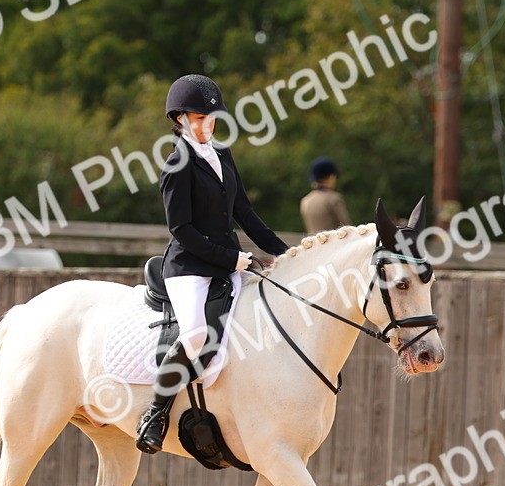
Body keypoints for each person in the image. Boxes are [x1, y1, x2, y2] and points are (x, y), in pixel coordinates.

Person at [134, 74, 290, 454]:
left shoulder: (222, 155)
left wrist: (286, 255)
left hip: (227, 263)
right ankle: (155, 414)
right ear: (180, 119)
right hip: (189, 267)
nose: (208, 125)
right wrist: (232, 258)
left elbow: (245, 214)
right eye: (200, 119)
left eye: (212, 118)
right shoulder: (177, 165)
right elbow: (181, 230)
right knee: (195, 337)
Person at [299, 156, 351, 235]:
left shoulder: (305, 200)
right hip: (334, 246)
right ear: (330, 177)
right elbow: (346, 228)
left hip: (313, 245)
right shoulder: (334, 199)